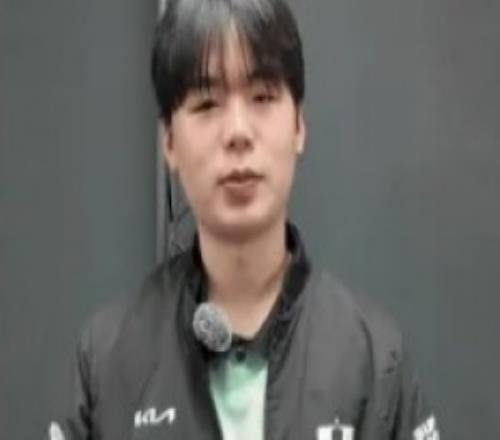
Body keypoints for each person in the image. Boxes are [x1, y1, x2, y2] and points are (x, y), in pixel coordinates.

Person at [49, 0, 440, 439]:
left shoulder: (375, 361)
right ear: (170, 141)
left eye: (262, 97)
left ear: (299, 126)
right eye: (207, 103)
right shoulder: (108, 362)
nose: (237, 131)